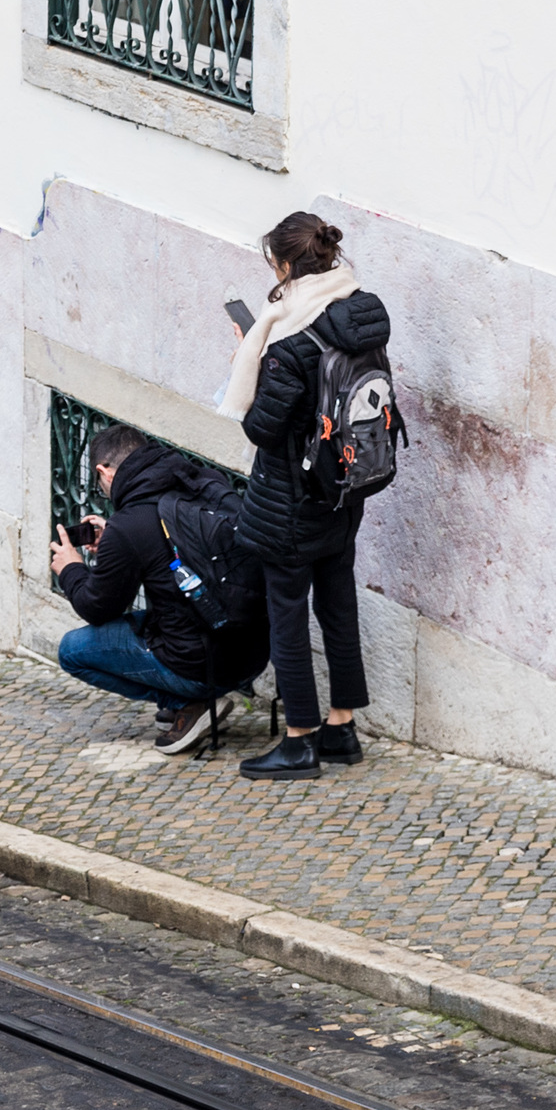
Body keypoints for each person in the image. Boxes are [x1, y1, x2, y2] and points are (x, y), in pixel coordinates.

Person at [223, 211, 389, 780]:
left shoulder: (292, 339)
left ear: (287, 265)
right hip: (345, 491)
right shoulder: (359, 314)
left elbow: (262, 430)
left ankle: (299, 740)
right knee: (337, 602)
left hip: (291, 501)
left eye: (273, 261)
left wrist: (253, 362)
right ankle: (342, 726)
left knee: (287, 614)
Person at [49, 428, 271, 755]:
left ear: (103, 472)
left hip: (201, 667)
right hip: (253, 656)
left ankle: (186, 702)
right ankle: (195, 697)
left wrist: (70, 568)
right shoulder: (201, 480)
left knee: (72, 650)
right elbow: (170, 543)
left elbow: (96, 607)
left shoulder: (130, 526)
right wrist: (114, 540)